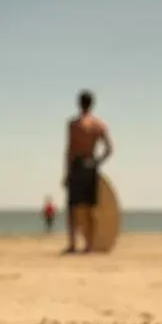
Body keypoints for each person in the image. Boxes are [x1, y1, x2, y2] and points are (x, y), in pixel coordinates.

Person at [64, 91, 112, 254]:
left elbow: (69, 150)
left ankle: (72, 244)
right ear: (92, 104)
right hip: (91, 164)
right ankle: (89, 246)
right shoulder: (99, 125)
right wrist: (97, 161)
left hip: (77, 165)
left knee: (72, 208)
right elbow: (109, 149)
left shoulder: (73, 124)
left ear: (79, 103)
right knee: (90, 208)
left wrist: (66, 173)